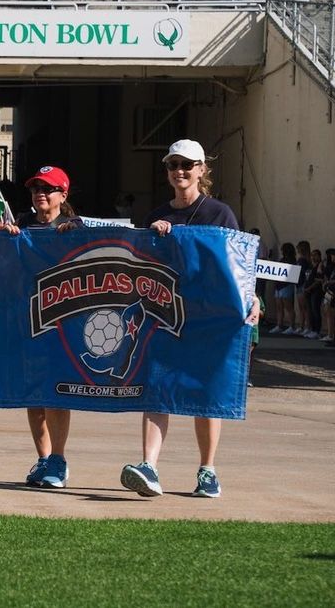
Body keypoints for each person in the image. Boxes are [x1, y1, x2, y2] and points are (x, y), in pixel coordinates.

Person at [120, 139, 258, 499]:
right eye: (173, 165)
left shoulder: (220, 214)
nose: (179, 171)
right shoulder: (156, 216)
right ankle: (149, 466)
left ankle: (207, 471)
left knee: (206, 391)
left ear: (201, 170)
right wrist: (155, 237)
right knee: (156, 389)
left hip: (208, 315)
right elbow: (143, 266)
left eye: (186, 165)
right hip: (165, 313)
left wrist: (253, 298)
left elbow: (238, 264)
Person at [0, 166, 82, 489]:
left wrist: (73, 238)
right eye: (36, 189)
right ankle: (45, 459)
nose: (40, 195)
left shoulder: (74, 226)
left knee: (57, 392)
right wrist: (5, 238)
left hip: (62, 322)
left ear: (63, 194)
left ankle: (59, 460)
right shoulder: (21, 224)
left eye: (47, 189)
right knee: (34, 396)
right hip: (27, 320)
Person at [269, 243, 297, 334]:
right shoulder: (282, 260)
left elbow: (292, 273)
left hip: (286, 285)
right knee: (279, 306)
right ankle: (279, 325)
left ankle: (292, 326)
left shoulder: (292, 261)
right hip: (279, 285)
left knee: (288, 307)